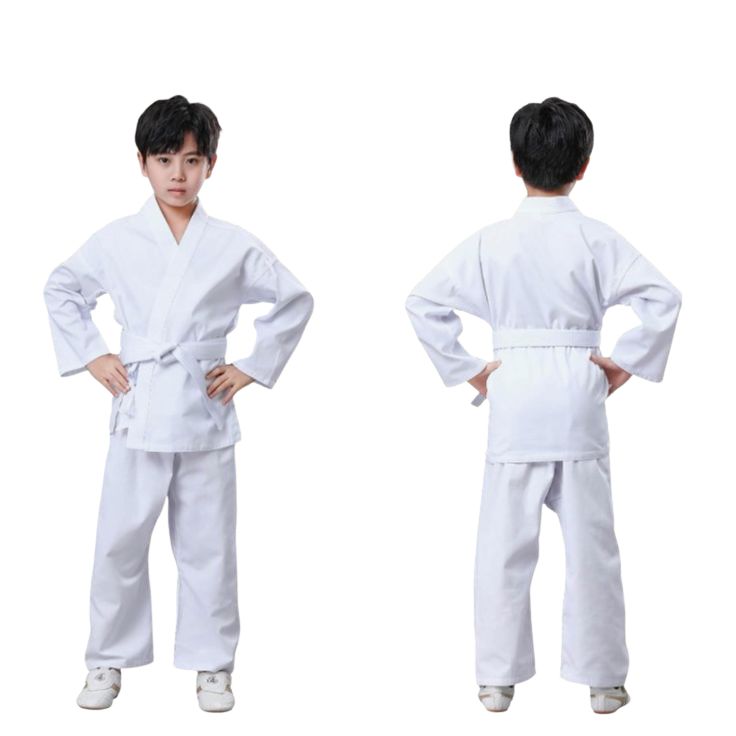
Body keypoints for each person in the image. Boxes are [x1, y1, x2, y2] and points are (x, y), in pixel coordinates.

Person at [404, 97, 682, 714]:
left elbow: (422, 302)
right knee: (592, 547)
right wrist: (625, 361)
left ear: (514, 163)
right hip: (580, 389)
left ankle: (496, 678)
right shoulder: (597, 238)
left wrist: (469, 369)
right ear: (584, 166)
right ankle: (604, 680)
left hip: (515, 390)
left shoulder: (492, 242)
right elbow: (664, 298)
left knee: (504, 545)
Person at [43, 95, 314, 712]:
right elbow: (61, 287)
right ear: (142, 163)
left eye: (192, 160)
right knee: (119, 540)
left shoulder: (232, 244)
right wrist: (93, 354)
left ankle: (212, 663)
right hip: (138, 402)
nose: (178, 175)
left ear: (211, 164)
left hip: (203, 406)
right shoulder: (117, 239)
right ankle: (107, 657)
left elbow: (295, 298)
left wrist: (251, 367)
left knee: (208, 546)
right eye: (164, 160)